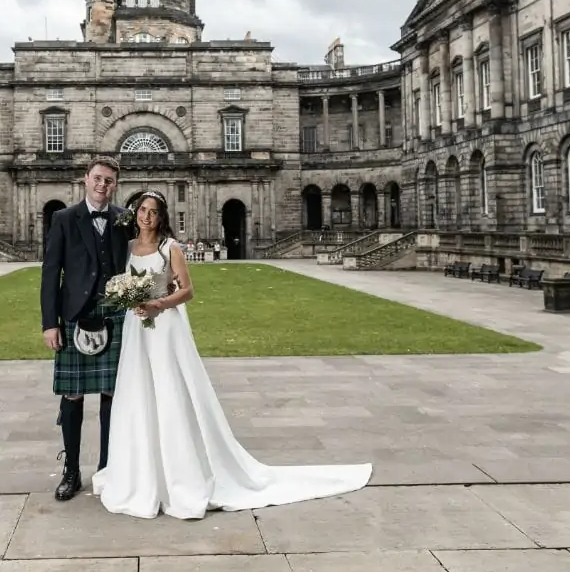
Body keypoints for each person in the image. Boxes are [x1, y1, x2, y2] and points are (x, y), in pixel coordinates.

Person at [91, 190, 373, 519]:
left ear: (161, 216)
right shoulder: (127, 248)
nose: (147, 216)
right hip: (137, 327)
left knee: (170, 391)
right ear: (135, 214)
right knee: (138, 394)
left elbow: (187, 290)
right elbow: (120, 281)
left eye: (153, 211)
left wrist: (157, 303)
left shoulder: (172, 247)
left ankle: (180, 475)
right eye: (142, 210)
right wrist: (129, 299)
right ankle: (140, 473)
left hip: (165, 326)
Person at [40, 156, 131, 501]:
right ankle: (72, 471)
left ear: (115, 184)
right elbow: (51, 274)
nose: (102, 185)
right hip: (75, 313)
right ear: (85, 179)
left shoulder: (124, 219)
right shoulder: (64, 219)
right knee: (73, 394)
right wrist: (51, 323)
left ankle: (108, 470)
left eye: (109, 180)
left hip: (116, 314)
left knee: (112, 395)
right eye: (97, 178)